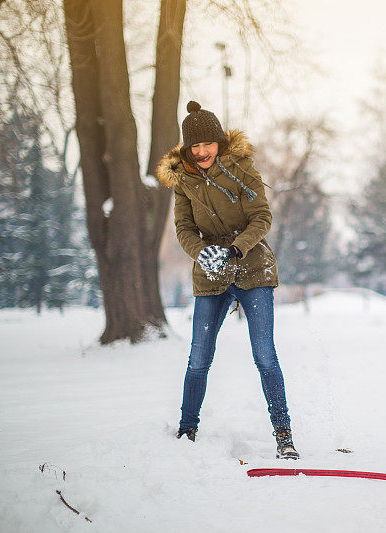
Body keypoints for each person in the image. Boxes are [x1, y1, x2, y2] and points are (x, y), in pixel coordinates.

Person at [157, 101, 298, 459]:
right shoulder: (183, 180)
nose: (202, 151)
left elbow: (261, 218)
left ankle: (283, 434)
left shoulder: (241, 168)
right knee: (198, 358)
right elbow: (184, 227)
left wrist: (236, 249)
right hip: (210, 273)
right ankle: (187, 430)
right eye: (195, 146)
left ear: (219, 142)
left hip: (252, 267)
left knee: (265, 355)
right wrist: (201, 252)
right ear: (187, 148)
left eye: (208, 144)